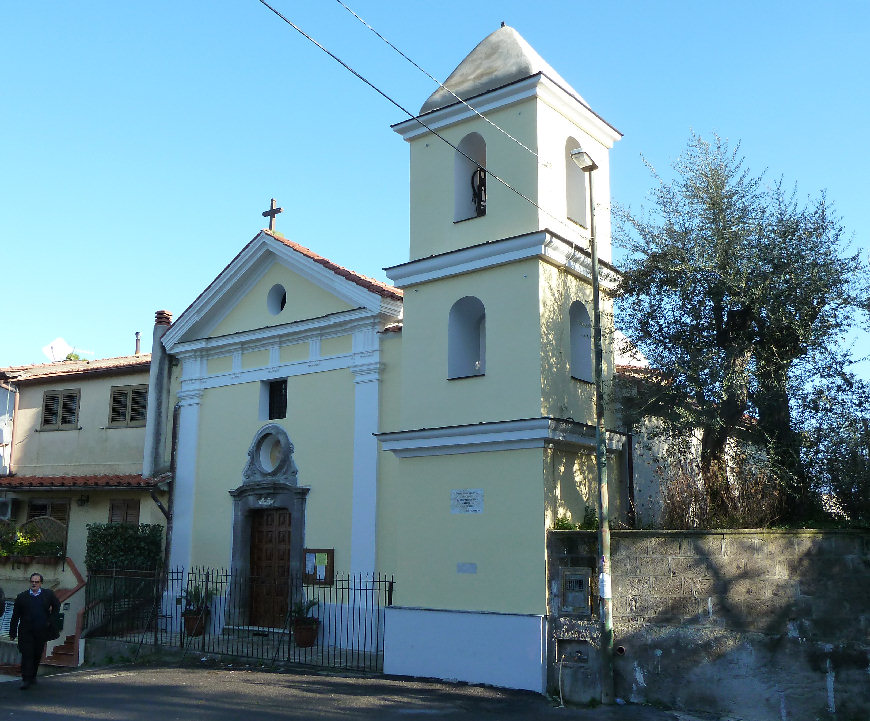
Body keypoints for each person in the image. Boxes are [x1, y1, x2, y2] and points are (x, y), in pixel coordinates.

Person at [9, 573, 61, 690]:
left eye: (36, 582)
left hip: (41, 631)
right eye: (32, 581)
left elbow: (57, 606)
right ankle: (26, 679)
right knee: (27, 654)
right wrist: (12, 633)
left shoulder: (48, 595)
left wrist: (51, 619)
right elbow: (15, 616)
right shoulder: (22, 597)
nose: (34, 584)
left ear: (40, 583)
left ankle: (32, 676)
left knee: (37, 654)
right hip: (25, 632)